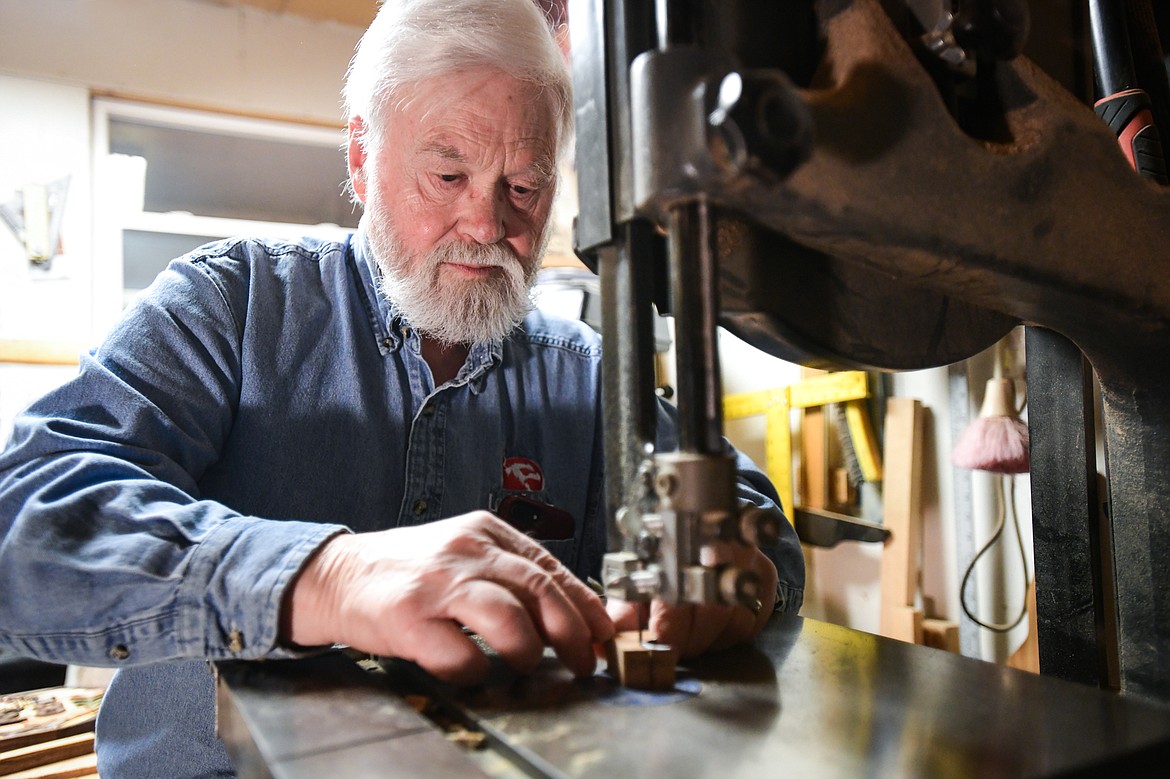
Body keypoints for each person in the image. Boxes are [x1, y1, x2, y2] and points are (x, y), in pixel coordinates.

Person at [0, 0, 804, 775]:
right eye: (448, 174)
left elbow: (759, 524)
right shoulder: (229, 306)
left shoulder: (584, 373)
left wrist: (744, 565)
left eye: (523, 188)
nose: (488, 226)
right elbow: (26, 523)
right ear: (359, 153)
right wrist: (328, 577)